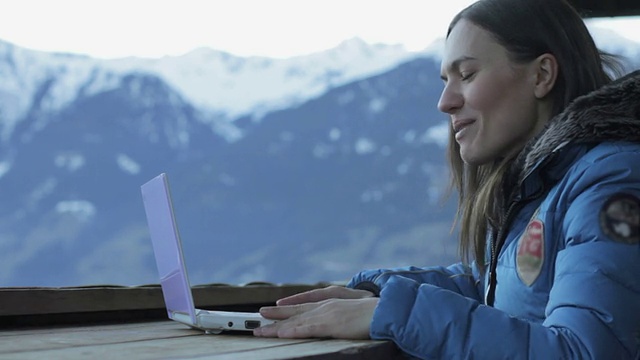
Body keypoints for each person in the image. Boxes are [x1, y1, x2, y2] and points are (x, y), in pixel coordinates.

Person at [253, 0, 640, 358]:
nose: (445, 102)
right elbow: (499, 291)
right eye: (445, 79)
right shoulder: (542, 184)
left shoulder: (611, 182)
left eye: (467, 74)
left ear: (541, 75)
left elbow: (583, 352)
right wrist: (378, 291)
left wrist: (396, 313)